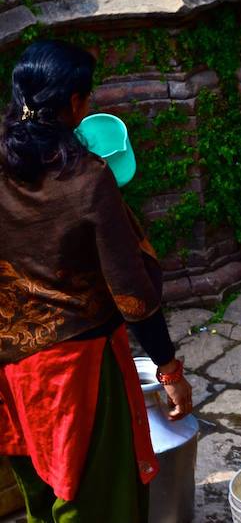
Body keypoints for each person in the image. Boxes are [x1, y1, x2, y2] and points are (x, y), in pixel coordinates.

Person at [0, 40, 192, 523]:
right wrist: (169, 371)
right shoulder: (88, 180)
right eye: (87, 97)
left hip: (10, 367)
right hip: (76, 370)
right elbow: (131, 295)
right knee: (97, 498)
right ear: (73, 105)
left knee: (40, 488)